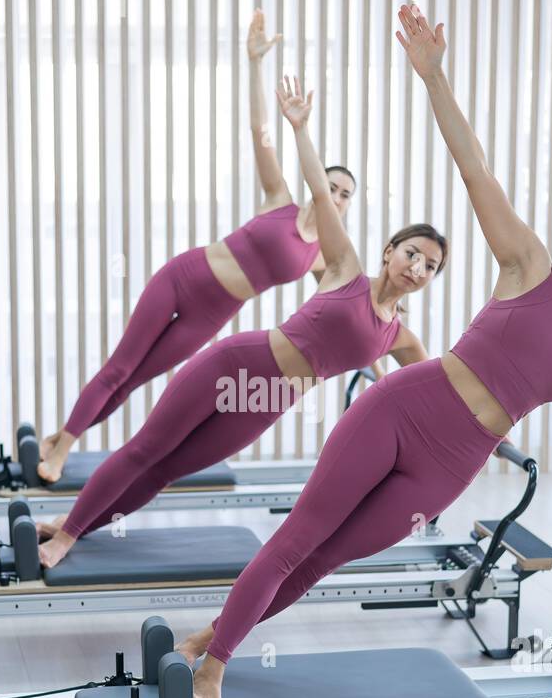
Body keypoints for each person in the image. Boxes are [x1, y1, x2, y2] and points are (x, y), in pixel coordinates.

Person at [179, 3, 552, 698]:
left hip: (448, 467)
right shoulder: (530, 265)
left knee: (323, 562)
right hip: (400, 411)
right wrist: (433, 76)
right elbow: (473, 168)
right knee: (300, 536)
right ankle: (216, 662)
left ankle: (214, 633)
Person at [38, 76, 444, 569]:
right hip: (238, 361)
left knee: (166, 471)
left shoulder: (401, 337)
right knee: (148, 446)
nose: (417, 268)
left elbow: (437, 390)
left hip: (268, 400)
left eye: (430, 266)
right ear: (389, 251)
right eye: (412, 254)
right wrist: (299, 129)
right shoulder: (343, 267)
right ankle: (67, 532)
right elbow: (316, 186)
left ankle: (73, 526)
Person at [37, 10, 355, 483]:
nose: (337, 196)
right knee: (119, 368)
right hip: (184, 278)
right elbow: (260, 135)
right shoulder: (280, 200)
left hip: (212, 312)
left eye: (346, 194)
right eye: (332, 185)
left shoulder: (321, 258)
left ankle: (62, 438)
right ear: (316, 182)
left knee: (134, 382)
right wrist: (253, 64)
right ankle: (63, 445)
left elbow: (345, 300)